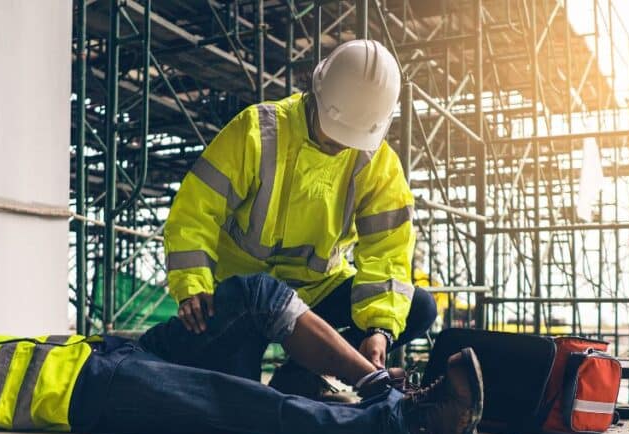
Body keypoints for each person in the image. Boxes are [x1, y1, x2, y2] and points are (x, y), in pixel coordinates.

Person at [0, 274, 483, 434]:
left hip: (112, 354)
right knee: (243, 408)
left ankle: (373, 385)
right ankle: (409, 423)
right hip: (96, 393)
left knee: (250, 297)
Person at [162, 40, 437, 400]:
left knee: (420, 307)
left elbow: (388, 253)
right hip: (246, 297)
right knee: (238, 396)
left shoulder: (378, 166)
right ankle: (270, 370)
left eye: (351, 139)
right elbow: (195, 210)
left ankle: (302, 374)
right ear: (316, 94)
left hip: (317, 291)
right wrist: (192, 285)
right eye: (333, 133)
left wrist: (379, 329)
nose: (340, 146)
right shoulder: (258, 131)